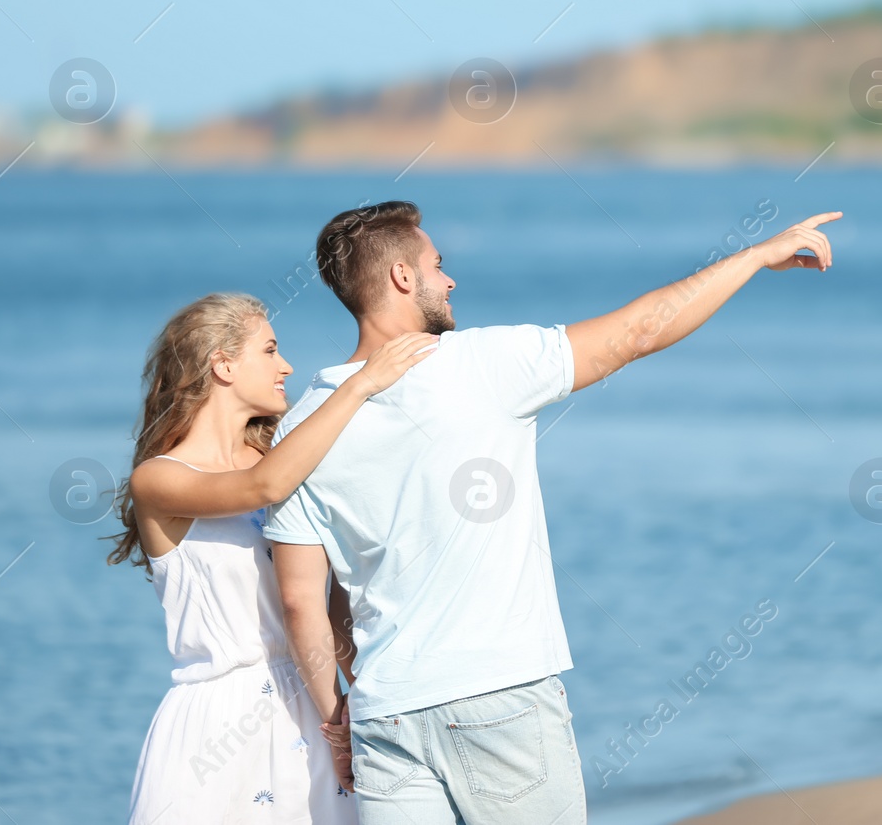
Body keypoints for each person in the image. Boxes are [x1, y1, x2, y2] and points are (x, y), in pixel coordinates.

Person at [267, 200, 840, 825]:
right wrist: (754, 256)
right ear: (403, 278)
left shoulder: (302, 427)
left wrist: (336, 719)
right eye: (437, 265)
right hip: (499, 697)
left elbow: (305, 604)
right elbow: (639, 331)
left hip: (386, 715)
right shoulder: (480, 365)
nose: (449, 280)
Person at [111, 291, 436, 824]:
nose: (286, 365)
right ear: (222, 364)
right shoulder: (160, 479)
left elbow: (329, 602)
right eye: (269, 350)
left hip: (314, 705)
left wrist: (353, 702)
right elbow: (264, 485)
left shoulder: (275, 458)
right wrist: (361, 384)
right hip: (218, 722)